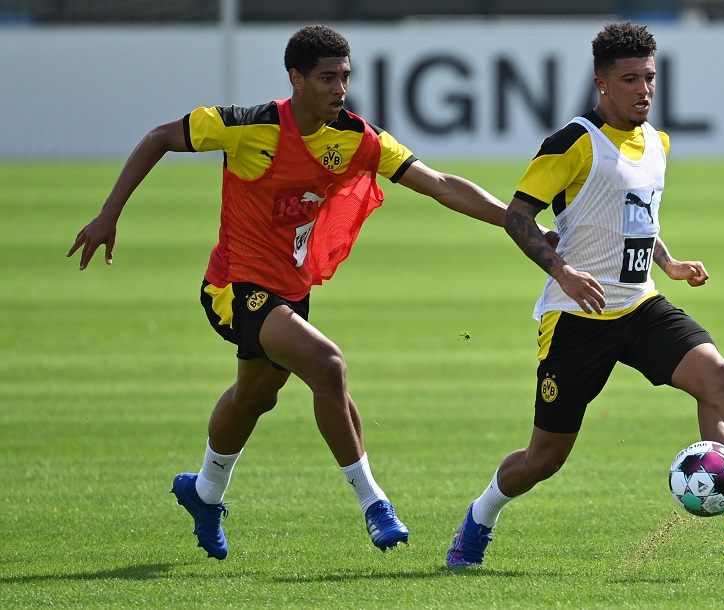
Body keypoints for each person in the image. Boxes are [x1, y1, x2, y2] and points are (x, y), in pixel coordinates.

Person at [68, 24, 548, 561]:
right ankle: (373, 502)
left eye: (345, 76)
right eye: (327, 78)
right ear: (295, 78)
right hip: (234, 286)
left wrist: (516, 221)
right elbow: (160, 136)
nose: (340, 88)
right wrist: (108, 215)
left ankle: (204, 492)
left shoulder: (356, 137)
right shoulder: (249, 127)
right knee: (328, 365)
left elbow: (439, 184)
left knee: (255, 396)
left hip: (289, 291)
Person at [445, 21, 724, 568]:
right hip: (577, 315)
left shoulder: (657, 142)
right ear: (601, 84)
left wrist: (669, 262)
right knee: (545, 458)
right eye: (629, 80)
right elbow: (518, 217)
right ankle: (479, 518)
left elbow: (635, 217)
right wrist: (563, 272)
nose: (644, 90)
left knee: (720, 378)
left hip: (639, 305)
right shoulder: (572, 143)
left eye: (650, 77)